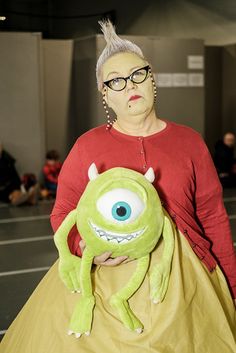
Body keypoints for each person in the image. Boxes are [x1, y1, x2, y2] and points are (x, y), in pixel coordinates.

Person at [1, 20, 236, 353]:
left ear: (152, 78)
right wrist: (85, 247)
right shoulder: (87, 146)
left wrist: (231, 281)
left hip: (186, 279)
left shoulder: (190, 142)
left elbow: (212, 216)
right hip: (105, 275)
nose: (130, 86)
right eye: (117, 81)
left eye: (137, 74)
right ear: (105, 94)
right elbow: (64, 210)